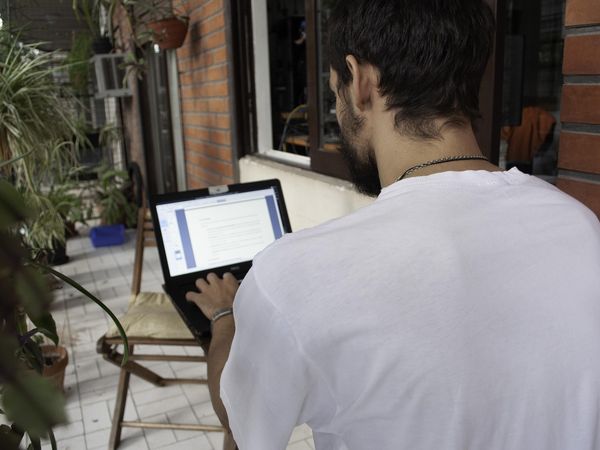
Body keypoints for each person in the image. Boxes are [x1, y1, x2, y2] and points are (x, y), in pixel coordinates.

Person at [186, 0, 600, 449]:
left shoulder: (295, 277)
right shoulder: (579, 227)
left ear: (360, 80)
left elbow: (237, 416)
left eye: (334, 91)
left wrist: (224, 315)